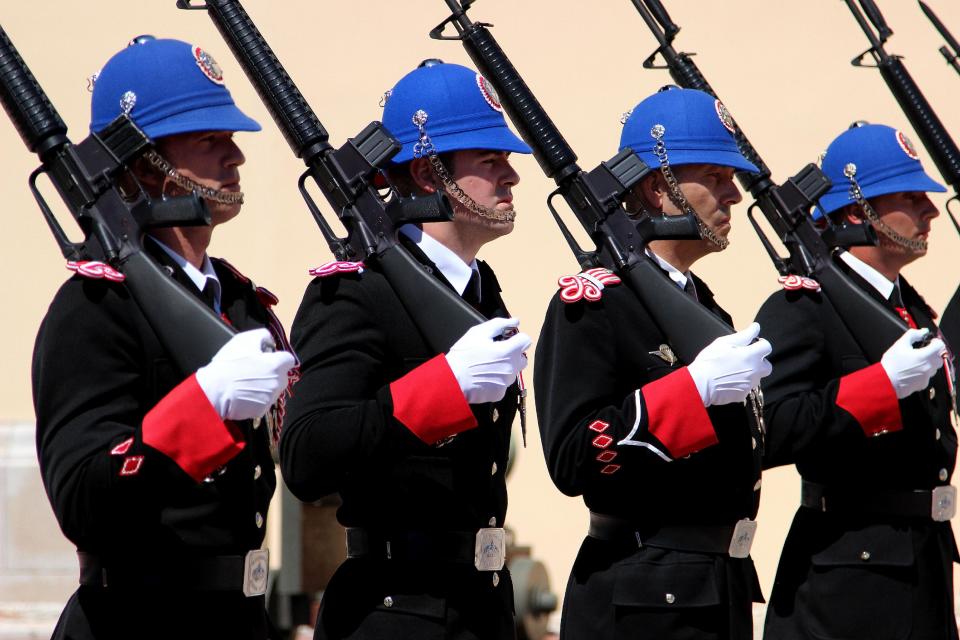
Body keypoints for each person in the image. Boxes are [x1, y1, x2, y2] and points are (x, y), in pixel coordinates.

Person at [33, 37, 296, 640]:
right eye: (210, 140)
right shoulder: (96, 305)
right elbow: (82, 497)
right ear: (148, 162)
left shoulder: (238, 302)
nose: (236, 156)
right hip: (137, 621)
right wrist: (202, 411)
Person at [279, 61, 532, 640]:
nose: (511, 176)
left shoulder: (478, 289)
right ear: (426, 173)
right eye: (489, 160)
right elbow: (307, 453)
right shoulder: (356, 289)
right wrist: (441, 391)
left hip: (482, 604)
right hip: (394, 609)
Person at [535, 86, 773, 639]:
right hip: (643, 603)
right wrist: (691, 395)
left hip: (720, 592)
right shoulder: (598, 305)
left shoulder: (703, 305)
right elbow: (572, 458)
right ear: (659, 190)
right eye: (714, 176)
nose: (733, 195)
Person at [758, 123, 957, 640]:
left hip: (924, 560)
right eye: (911, 198)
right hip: (846, 576)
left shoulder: (909, 307)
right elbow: (771, 428)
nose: (931, 211)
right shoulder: (805, 304)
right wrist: (879, 389)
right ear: (856, 211)